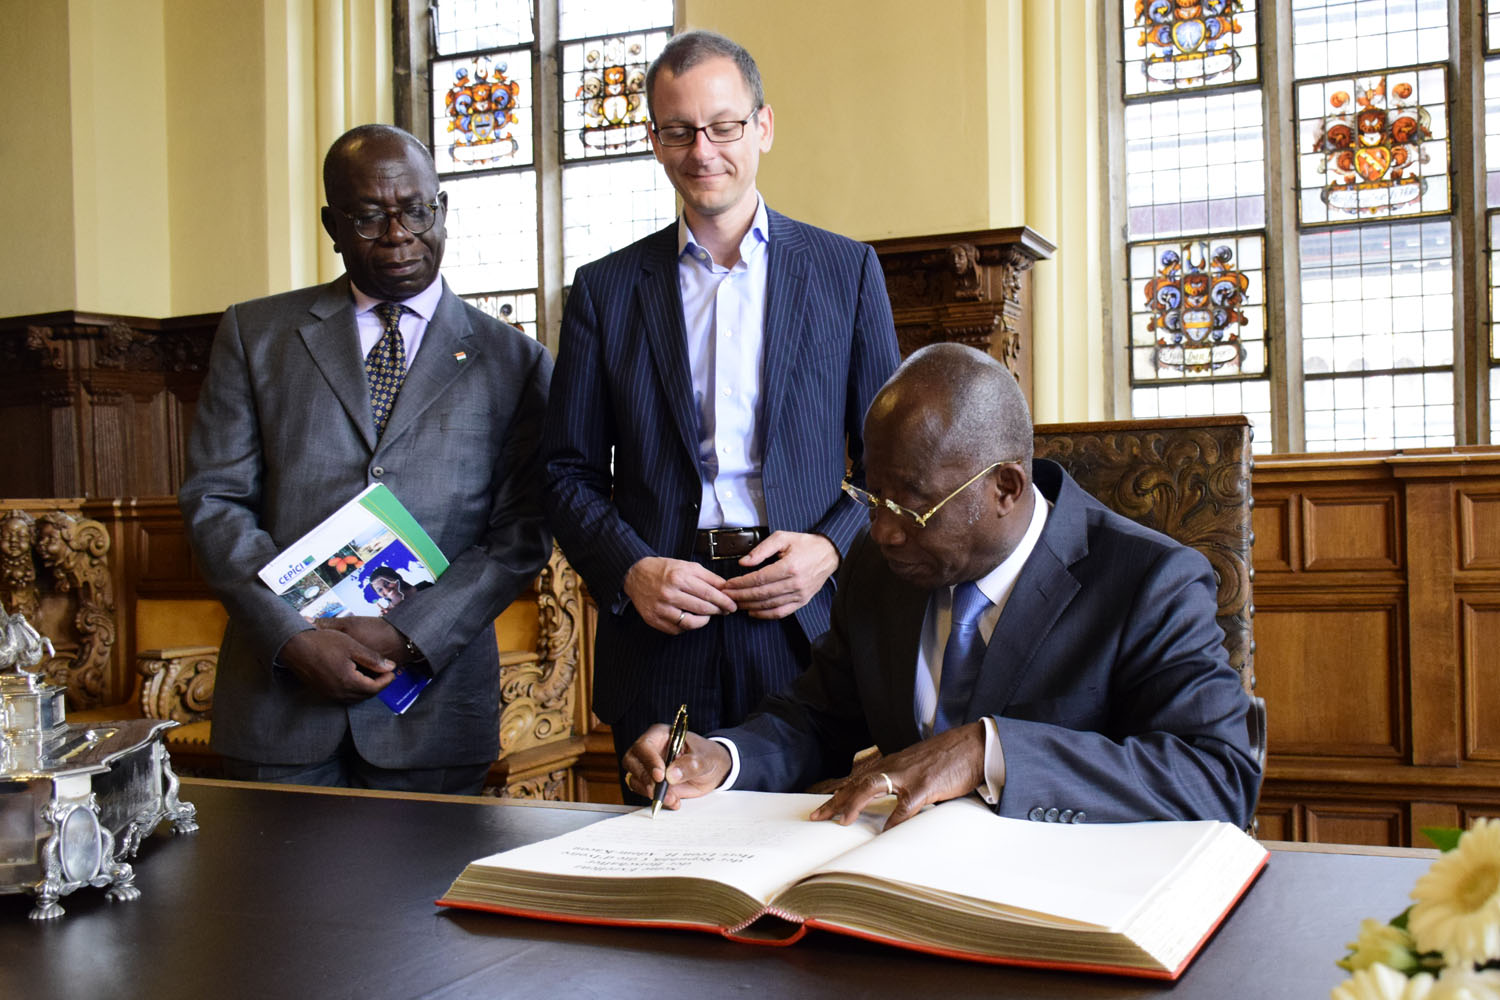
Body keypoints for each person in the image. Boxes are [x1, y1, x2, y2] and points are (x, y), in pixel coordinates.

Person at [624, 343, 1261, 829]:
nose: (882, 531)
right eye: (872, 497)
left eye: (911, 507)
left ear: (1005, 488)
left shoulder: (1150, 581)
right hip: (893, 895)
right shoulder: (880, 565)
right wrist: (722, 758)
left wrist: (990, 751)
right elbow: (819, 716)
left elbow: (1218, 777)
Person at [541, 29, 901, 793]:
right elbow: (565, 473)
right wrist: (632, 570)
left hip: (802, 627)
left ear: (762, 126)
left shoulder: (846, 271)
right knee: (665, 845)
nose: (702, 150)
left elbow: (895, 467)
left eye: (723, 126)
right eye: (679, 131)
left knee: (803, 847)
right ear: (654, 140)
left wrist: (830, 550)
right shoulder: (605, 290)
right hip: (662, 624)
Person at [179, 123, 552, 794]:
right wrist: (292, 636)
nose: (397, 234)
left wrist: (407, 633)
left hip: (434, 707)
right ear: (332, 225)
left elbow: (519, 535)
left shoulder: (516, 361)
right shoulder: (255, 334)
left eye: (415, 210)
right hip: (279, 705)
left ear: (442, 210)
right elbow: (216, 501)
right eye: (369, 216)